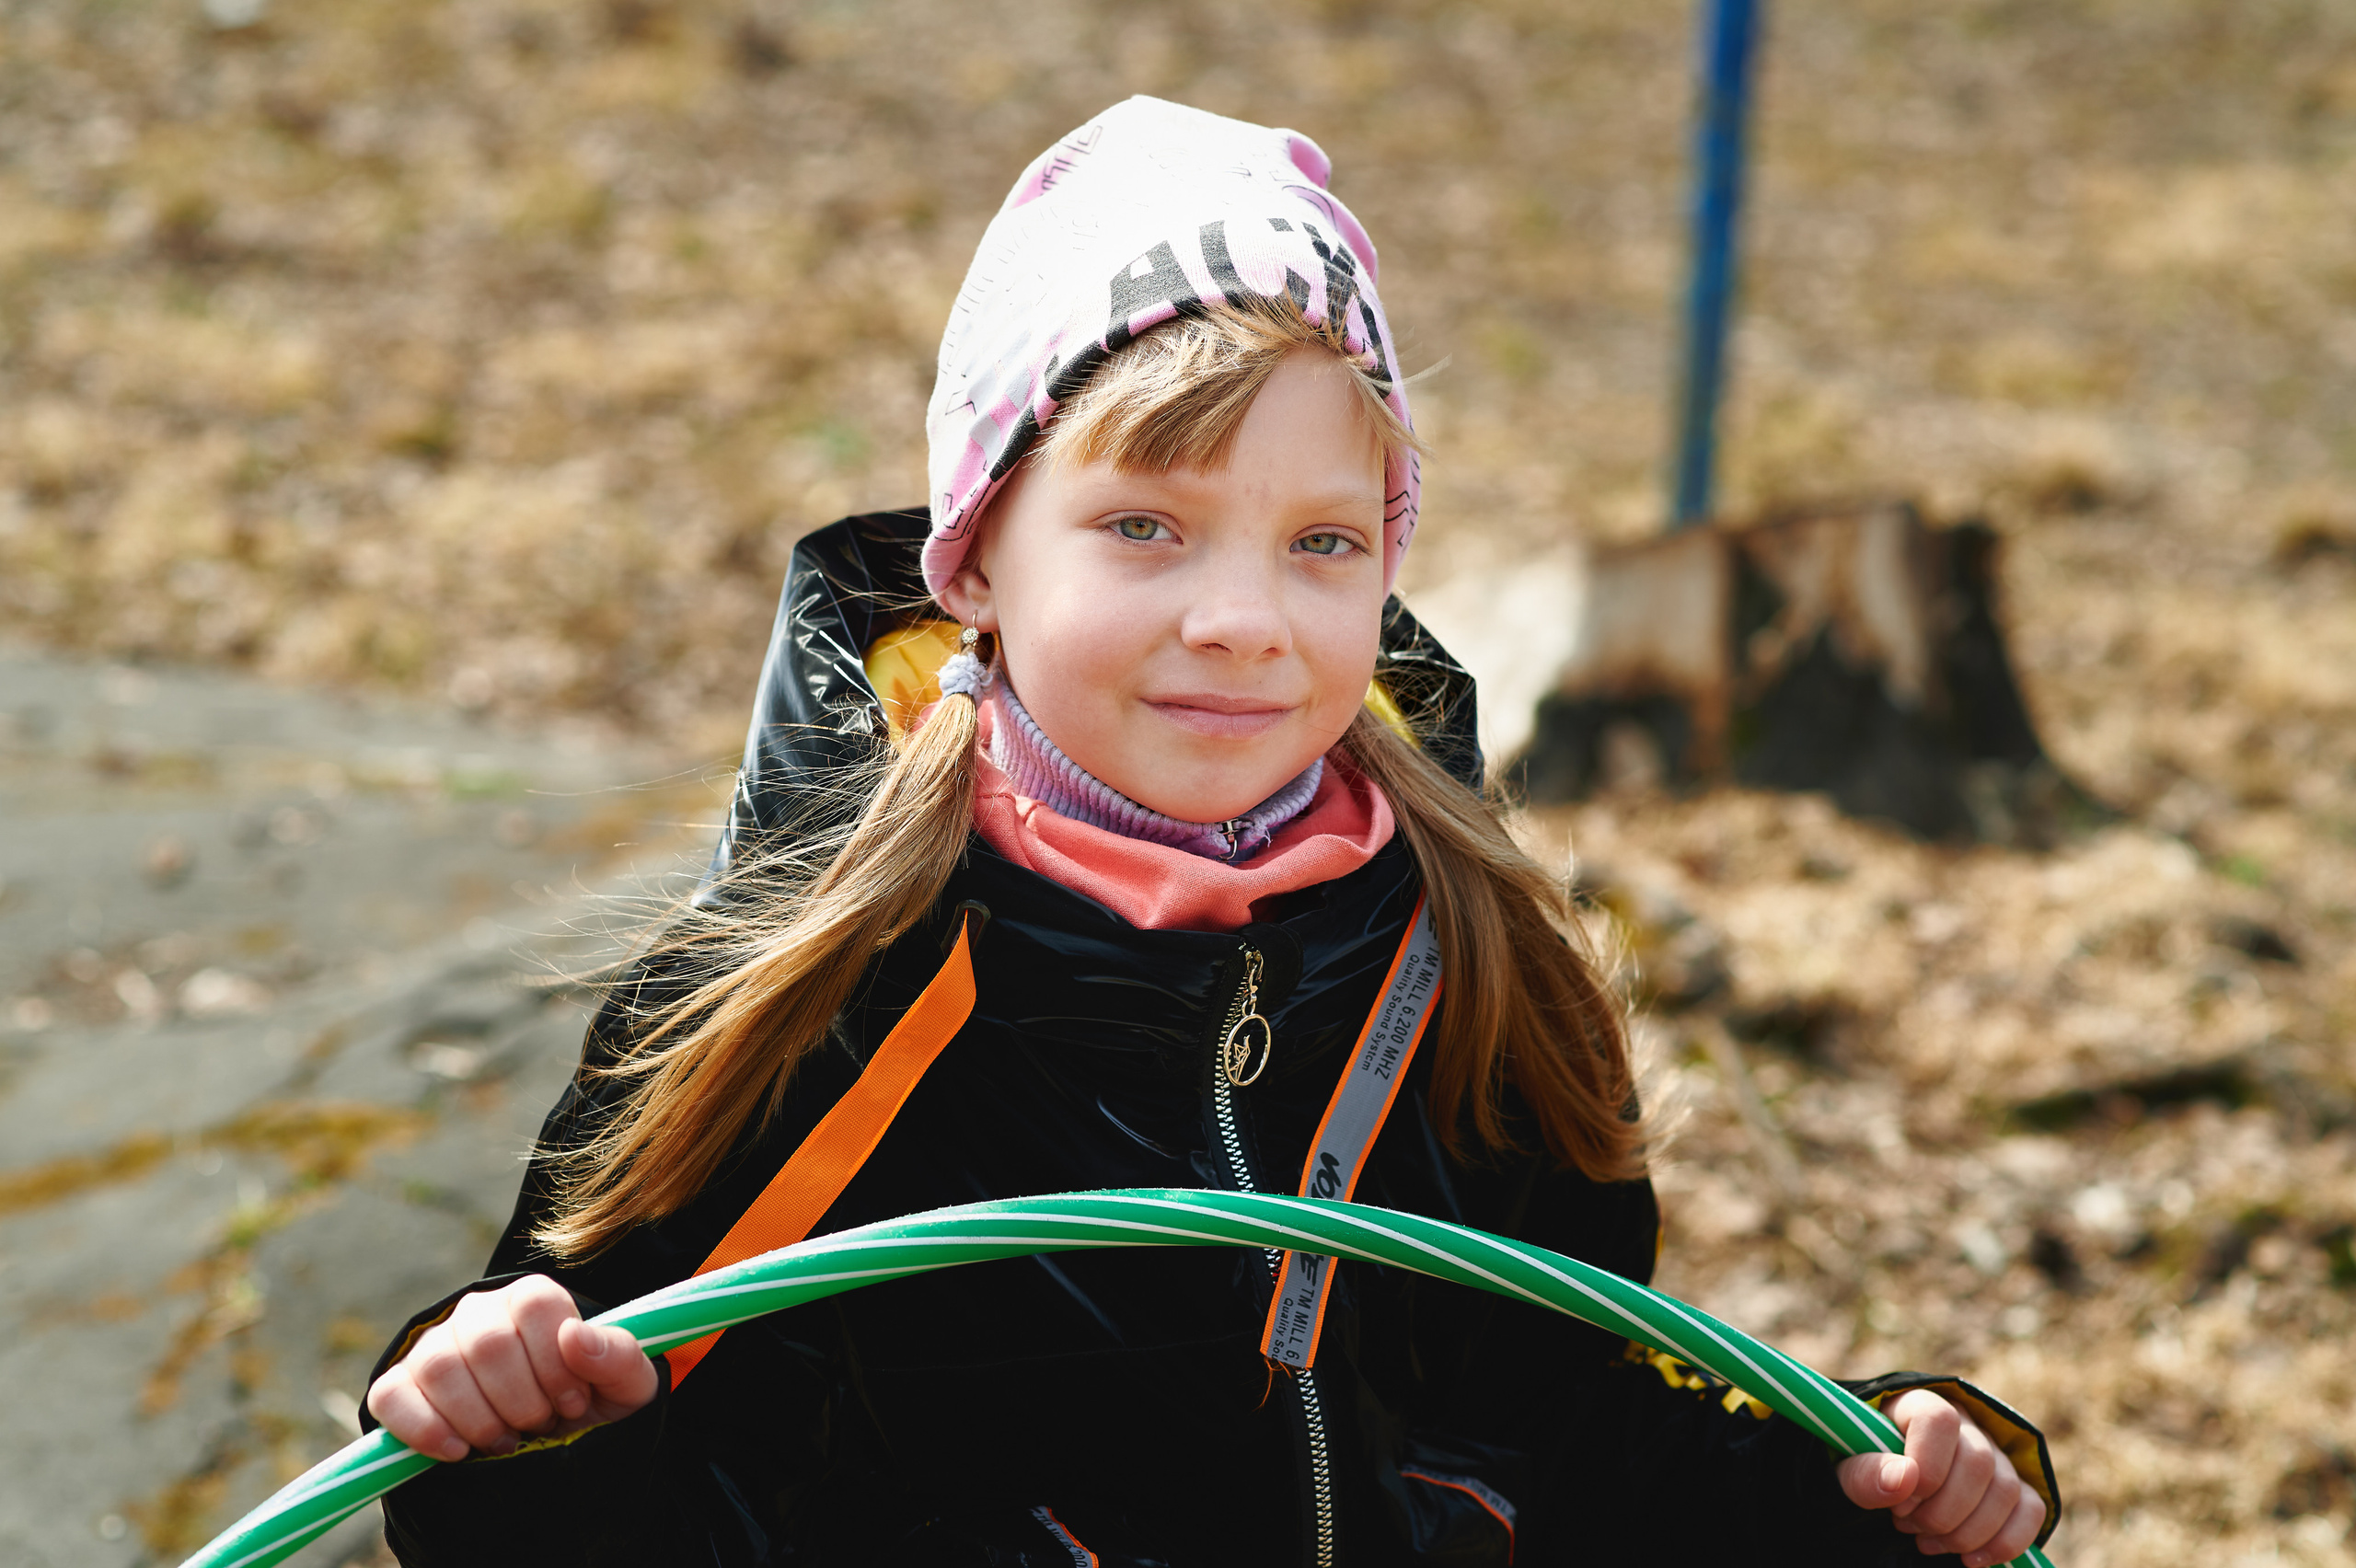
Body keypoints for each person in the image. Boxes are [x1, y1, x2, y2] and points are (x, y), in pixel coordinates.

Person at [361, 97, 2059, 1567]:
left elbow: (1566, 1431)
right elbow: (609, 1500)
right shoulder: (809, 983)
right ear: (975, 556)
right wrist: (522, 1417)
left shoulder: (1470, 955)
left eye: (1322, 541)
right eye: (1146, 526)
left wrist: (1855, 1486)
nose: (1244, 618)